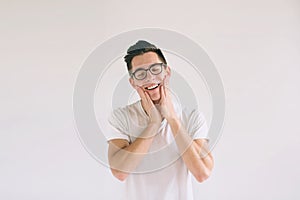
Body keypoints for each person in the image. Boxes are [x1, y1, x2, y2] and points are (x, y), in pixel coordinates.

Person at [105, 40, 214, 200]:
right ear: (133, 82)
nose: (150, 77)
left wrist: (171, 117)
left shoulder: (192, 118)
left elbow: (202, 173)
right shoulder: (121, 118)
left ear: (167, 72)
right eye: (140, 73)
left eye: (155, 69)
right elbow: (120, 172)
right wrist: (153, 124)